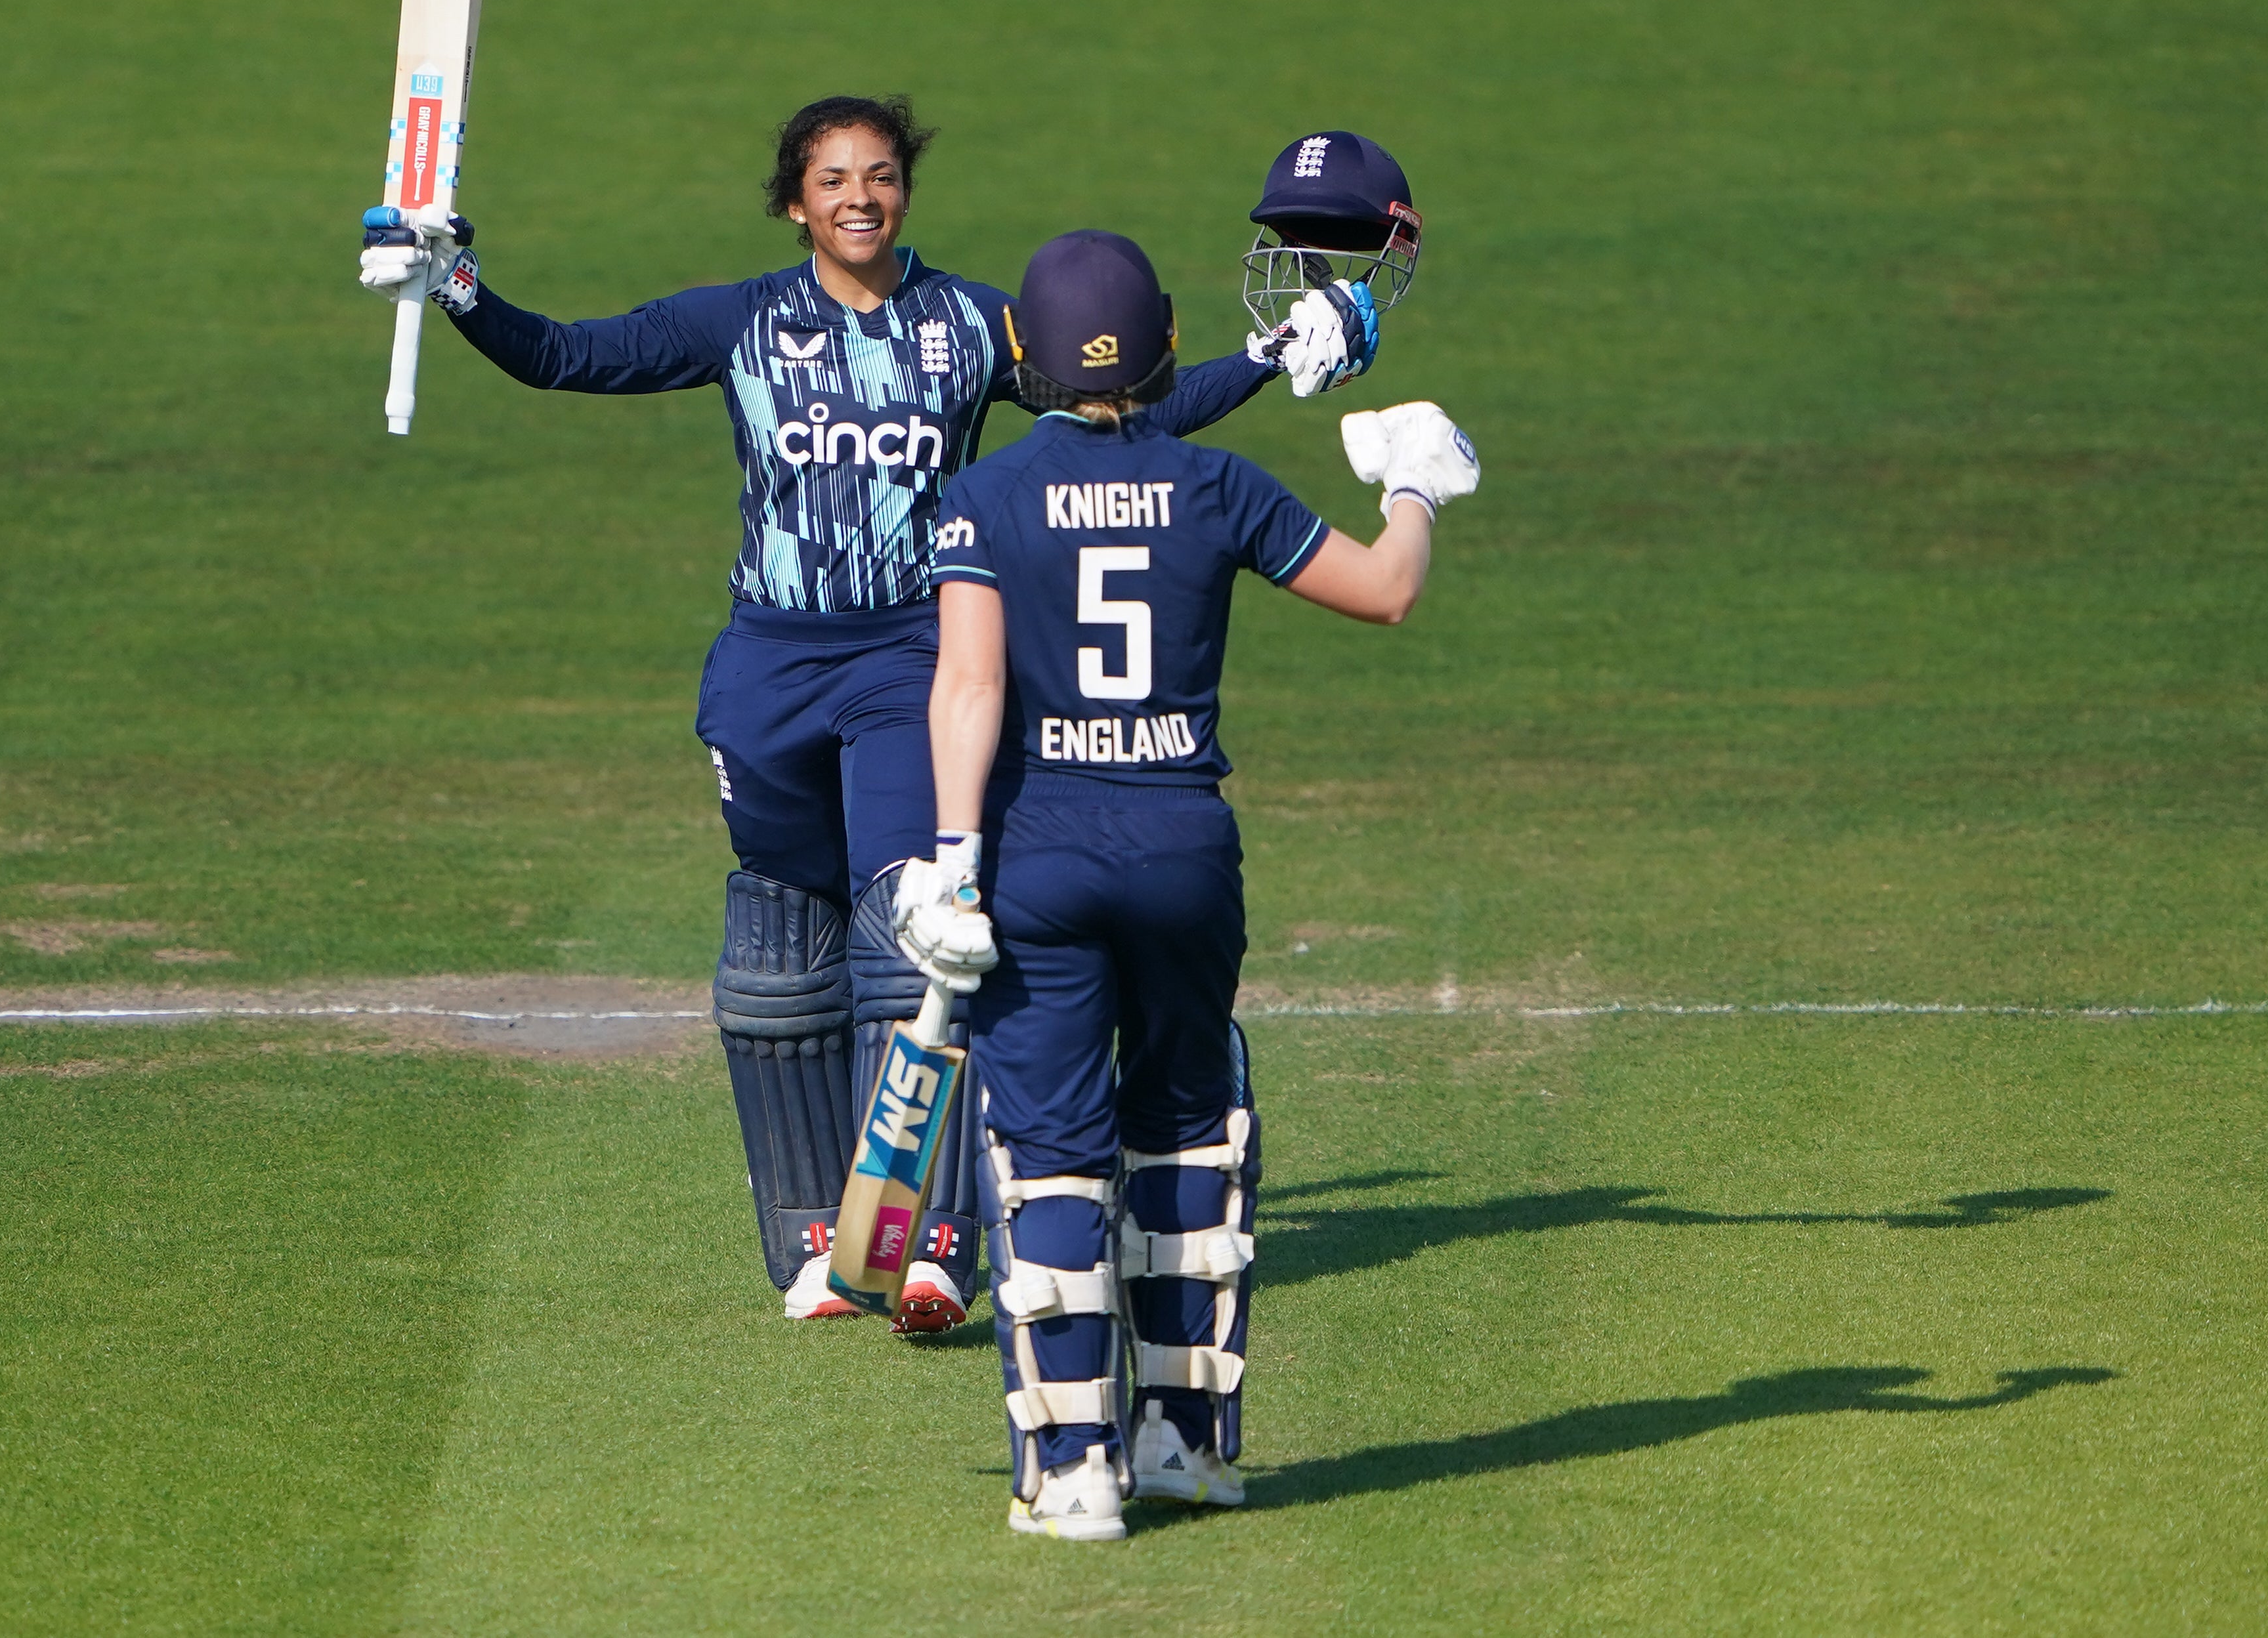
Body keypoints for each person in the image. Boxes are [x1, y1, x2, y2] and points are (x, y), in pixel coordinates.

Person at [356, 100, 1392, 1329]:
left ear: (905, 193)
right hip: (767, 670)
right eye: (834, 179)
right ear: (794, 203)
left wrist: (1274, 358)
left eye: (883, 176)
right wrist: (456, 281)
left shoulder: (969, 322)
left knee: (910, 926)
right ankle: (819, 1239)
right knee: (785, 942)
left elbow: (1124, 410)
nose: (861, 196)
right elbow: (566, 356)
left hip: (909, 656)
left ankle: (928, 1241)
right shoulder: (741, 321)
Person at [895, 226, 1479, 1538]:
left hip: (1039, 857)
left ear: (1027, 365)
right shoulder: (1217, 485)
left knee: (1051, 1157)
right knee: (1187, 1133)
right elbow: (1385, 594)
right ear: (1166, 350)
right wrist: (1417, 486)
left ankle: (1075, 1472)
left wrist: (949, 862)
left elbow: (970, 684)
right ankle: (1187, 1446)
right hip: (1181, 855)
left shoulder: (985, 496)